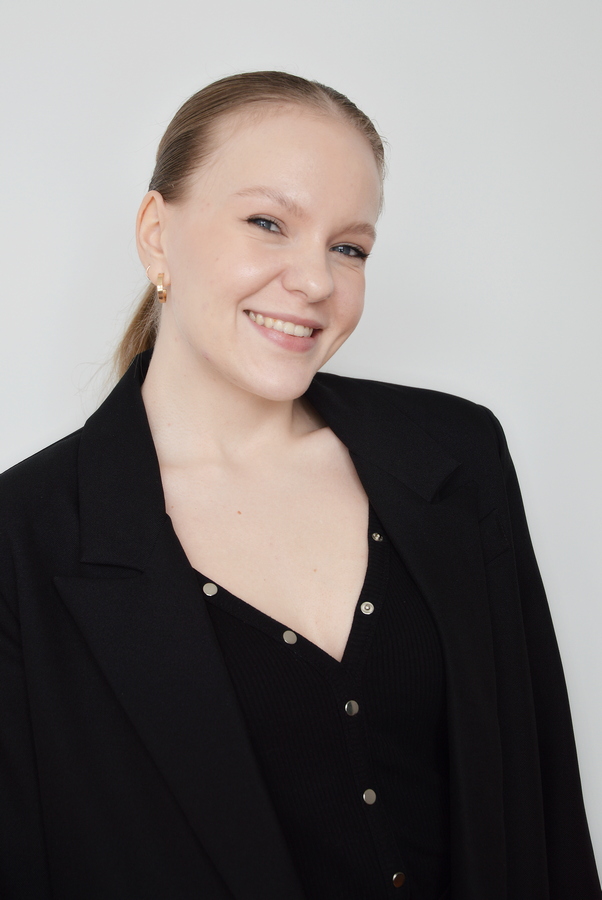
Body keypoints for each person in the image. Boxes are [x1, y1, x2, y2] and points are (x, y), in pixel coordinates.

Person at [0, 71, 599, 900]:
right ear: (156, 234)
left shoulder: (458, 456)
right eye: (268, 223)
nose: (316, 281)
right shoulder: (24, 539)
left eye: (349, 247)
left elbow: (540, 809)